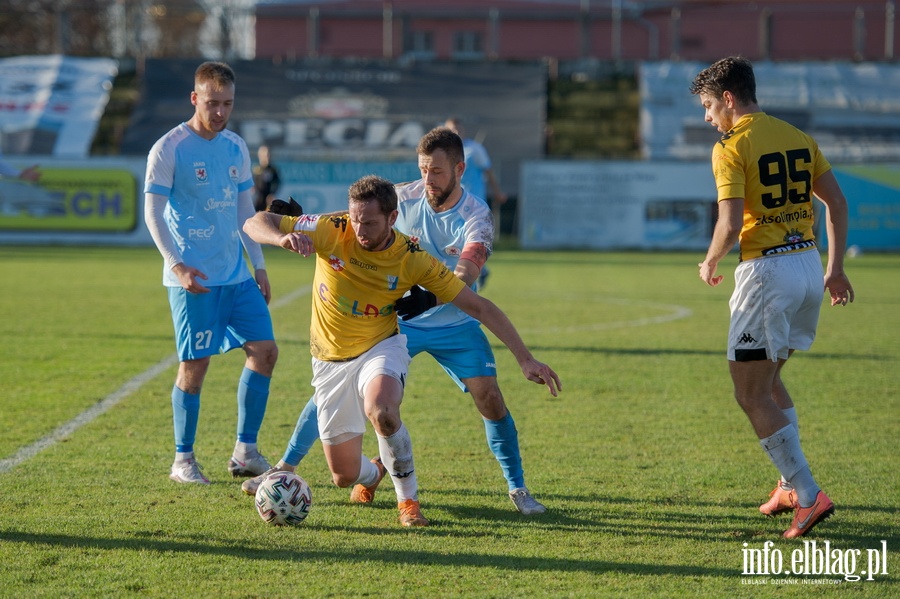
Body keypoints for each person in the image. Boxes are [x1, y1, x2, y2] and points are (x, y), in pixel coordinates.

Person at [242, 127, 548, 516]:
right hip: (398, 320)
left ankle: (517, 488)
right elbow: (357, 218)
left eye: (436, 172)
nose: (428, 180)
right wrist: (294, 225)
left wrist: (521, 355)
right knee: (342, 389)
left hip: (453, 320)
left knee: (489, 397)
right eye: (422, 170)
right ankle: (286, 468)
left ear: (459, 169)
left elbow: (468, 276)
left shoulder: (477, 217)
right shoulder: (403, 196)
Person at [690, 56, 854, 538]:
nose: (706, 118)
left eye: (707, 106)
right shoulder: (798, 137)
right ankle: (788, 485)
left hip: (766, 273)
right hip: (806, 265)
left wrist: (710, 260)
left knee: (750, 391)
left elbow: (729, 219)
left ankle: (807, 493)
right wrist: (835, 269)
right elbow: (837, 204)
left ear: (727, 99)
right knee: (771, 377)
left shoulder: (731, 146)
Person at [143, 61, 278, 485]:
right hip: (194, 280)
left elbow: (244, 213)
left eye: (228, 104)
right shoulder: (170, 148)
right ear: (195, 98)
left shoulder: (236, 146)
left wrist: (258, 264)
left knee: (266, 351)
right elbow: (153, 212)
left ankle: (245, 451)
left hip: (237, 276)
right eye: (212, 103)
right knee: (195, 367)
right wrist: (176, 264)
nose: (220, 112)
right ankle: (183, 460)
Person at [444, 117, 506, 290]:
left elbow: (489, 171)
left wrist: (497, 192)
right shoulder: (444, 151)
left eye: (458, 129)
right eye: (452, 129)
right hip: (453, 203)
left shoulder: (474, 149)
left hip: (474, 203)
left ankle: (475, 270)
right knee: (454, 239)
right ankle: (478, 269)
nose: (456, 132)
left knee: (472, 238)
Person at [252, 144, 280, 212]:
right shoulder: (256, 169)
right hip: (257, 197)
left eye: (268, 154)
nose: (267, 156)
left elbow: (277, 182)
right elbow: (251, 181)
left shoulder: (272, 169)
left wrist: (272, 193)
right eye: (265, 154)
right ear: (260, 155)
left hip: (268, 198)